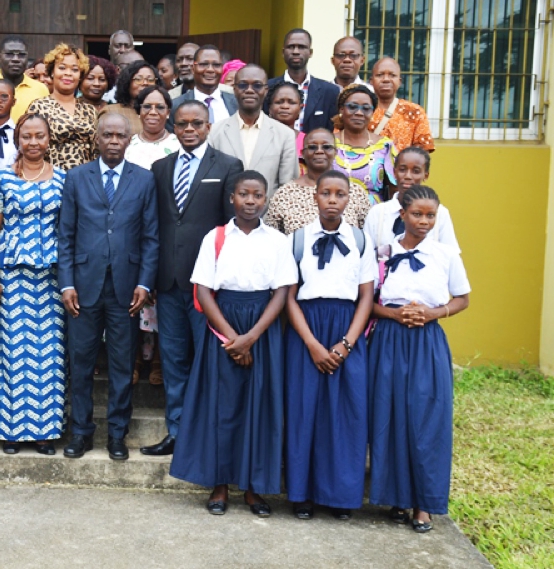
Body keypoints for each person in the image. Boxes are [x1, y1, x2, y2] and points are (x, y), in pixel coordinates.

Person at [170, 171, 296, 516]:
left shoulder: (277, 241)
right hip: (222, 325)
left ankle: (254, 488)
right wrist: (231, 338)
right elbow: (203, 292)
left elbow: (283, 291)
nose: (251, 201)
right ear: (232, 198)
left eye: (257, 195)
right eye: (244, 194)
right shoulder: (216, 237)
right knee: (222, 406)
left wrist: (252, 337)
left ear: (266, 199)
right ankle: (220, 484)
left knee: (259, 406)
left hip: (262, 326)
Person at [141, 99, 243, 457]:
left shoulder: (229, 166)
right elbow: (155, 226)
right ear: (173, 126)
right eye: (182, 124)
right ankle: (178, 432)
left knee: (210, 359)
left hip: (208, 286)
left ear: (208, 126)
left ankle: (209, 434)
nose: (189, 130)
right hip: (167, 283)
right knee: (173, 360)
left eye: (196, 124)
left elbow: (231, 229)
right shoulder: (159, 167)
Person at [368, 185, 471, 533]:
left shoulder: (445, 255)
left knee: (427, 417)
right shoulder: (382, 253)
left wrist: (433, 313)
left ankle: (423, 503)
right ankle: (395, 497)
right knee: (390, 414)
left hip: (426, 341)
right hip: (388, 339)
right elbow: (366, 301)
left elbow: (462, 298)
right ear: (402, 215)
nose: (424, 221)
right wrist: (394, 315)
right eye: (417, 214)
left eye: (431, 215)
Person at [58, 112, 159, 461]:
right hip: (83, 289)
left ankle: (117, 435)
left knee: (120, 366)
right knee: (80, 362)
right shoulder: (75, 178)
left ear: (129, 140)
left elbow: (150, 237)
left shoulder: (144, 180)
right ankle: (80, 433)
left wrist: (145, 283)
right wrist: (66, 283)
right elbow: (65, 235)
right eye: (108, 135)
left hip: (127, 290)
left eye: (120, 136)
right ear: (96, 139)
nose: (114, 141)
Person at [284, 170, 377, 520]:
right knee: (304, 410)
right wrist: (311, 343)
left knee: (346, 413)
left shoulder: (360, 240)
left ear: (349, 199)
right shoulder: (296, 240)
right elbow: (288, 297)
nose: (333, 200)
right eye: (326, 193)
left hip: (347, 327)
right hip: (305, 327)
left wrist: (346, 344)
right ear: (315, 197)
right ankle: (302, 495)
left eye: (340, 194)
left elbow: (366, 296)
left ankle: (339, 495)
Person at [0, 113, 67, 455]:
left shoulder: (63, 180)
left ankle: (44, 432)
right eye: (26, 136)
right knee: (14, 350)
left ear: (49, 139)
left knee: (49, 354)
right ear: (18, 140)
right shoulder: (2, 179)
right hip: (13, 276)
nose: (33, 142)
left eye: (39, 136)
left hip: (51, 278)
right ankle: (12, 430)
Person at [125, 86, 180, 384]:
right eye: (147, 107)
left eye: (160, 107)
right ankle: (133, 358)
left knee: (160, 294)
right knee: (132, 292)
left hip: (166, 229)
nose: (153, 113)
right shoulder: (128, 146)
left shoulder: (177, 146)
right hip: (131, 231)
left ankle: (157, 359)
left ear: (169, 112)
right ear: (138, 110)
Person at [207, 65, 299, 195]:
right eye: (243, 85)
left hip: (268, 214)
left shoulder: (284, 135)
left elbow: (287, 188)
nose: (249, 90)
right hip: (225, 214)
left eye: (257, 85)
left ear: (266, 90)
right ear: (234, 89)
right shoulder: (215, 132)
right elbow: (212, 183)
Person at [265, 128, 370, 234]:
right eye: (312, 147)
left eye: (326, 147)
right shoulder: (285, 194)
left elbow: (367, 235)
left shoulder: (355, 191)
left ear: (335, 152)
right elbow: (272, 238)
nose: (319, 151)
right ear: (303, 153)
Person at [365, 146, 459, 253]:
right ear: (394, 173)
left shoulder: (440, 213)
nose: (408, 176)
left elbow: (451, 255)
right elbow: (367, 258)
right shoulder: (377, 213)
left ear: (426, 175)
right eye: (402, 170)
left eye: (416, 171)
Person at [26, 43, 99, 171]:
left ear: (80, 76)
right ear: (52, 72)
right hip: (50, 180)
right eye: (62, 68)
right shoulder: (38, 107)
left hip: (85, 181)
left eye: (75, 70)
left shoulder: (90, 110)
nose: (68, 73)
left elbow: (96, 151)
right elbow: (30, 148)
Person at [332, 84, 397, 204]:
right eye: (352, 107)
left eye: (366, 108)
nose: (359, 113)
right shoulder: (328, 143)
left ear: (372, 112)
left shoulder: (384, 146)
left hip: (374, 217)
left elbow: (395, 189)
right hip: (334, 215)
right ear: (341, 109)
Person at [266, 29, 339, 133]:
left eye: (301, 47)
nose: (296, 51)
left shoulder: (330, 91)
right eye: (291, 47)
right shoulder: (267, 88)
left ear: (310, 52)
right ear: (283, 52)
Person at [368, 57, 435, 151]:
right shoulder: (360, 110)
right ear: (371, 81)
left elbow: (422, 154)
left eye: (392, 75)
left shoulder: (415, 112)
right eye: (380, 75)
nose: (386, 79)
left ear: (399, 82)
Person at [170, 45, 237, 130]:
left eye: (216, 65)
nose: (210, 69)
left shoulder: (237, 103)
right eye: (204, 64)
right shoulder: (175, 106)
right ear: (193, 68)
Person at [104, 61, 161, 136]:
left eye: (150, 80)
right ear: (127, 83)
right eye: (138, 79)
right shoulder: (111, 111)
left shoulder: (161, 112)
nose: (145, 83)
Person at [267, 80, 307, 159]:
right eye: (279, 102)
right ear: (270, 108)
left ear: (300, 108)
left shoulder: (307, 141)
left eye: (292, 102)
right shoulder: (259, 138)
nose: (285, 106)